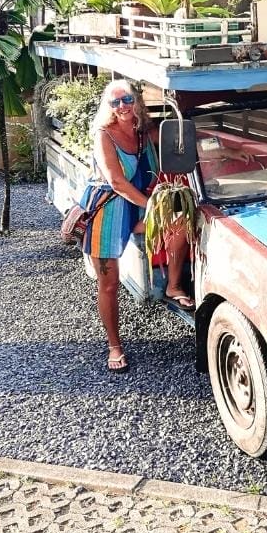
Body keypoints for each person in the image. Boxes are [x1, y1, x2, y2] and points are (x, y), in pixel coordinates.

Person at [79, 79, 168, 373]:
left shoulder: (144, 130)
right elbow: (116, 182)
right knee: (109, 282)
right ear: (108, 106)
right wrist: (151, 205)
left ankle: (175, 285)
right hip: (110, 205)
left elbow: (175, 145)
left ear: (137, 101)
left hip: (140, 201)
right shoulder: (104, 135)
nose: (122, 107)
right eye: (115, 102)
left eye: (127, 100)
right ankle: (114, 345)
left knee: (180, 224)